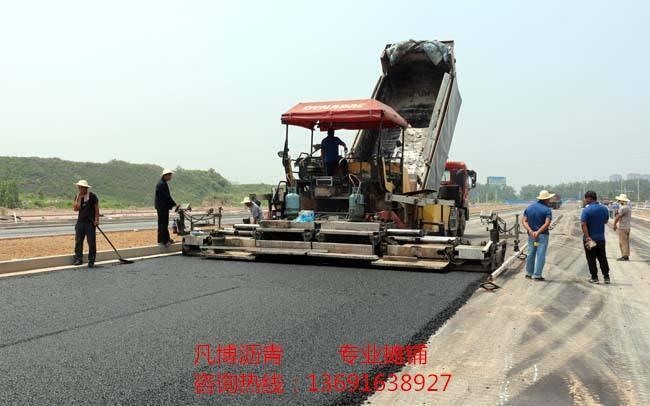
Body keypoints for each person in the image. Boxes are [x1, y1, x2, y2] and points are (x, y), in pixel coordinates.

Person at [522, 190, 554, 281]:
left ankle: (529, 273)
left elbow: (524, 221)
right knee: (541, 254)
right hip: (542, 235)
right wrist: (538, 232)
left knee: (531, 253)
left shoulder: (529, 208)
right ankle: (537, 275)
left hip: (531, 236)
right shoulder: (547, 210)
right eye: (549, 198)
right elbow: (547, 223)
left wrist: (530, 231)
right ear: (546, 199)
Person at [581, 190, 610, 284]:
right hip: (601, 238)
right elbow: (606, 221)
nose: (585, 200)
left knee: (591, 258)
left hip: (590, 239)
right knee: (602, 258)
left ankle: (594, 278)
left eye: (585, 198)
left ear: (589, 198)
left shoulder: (586, 210)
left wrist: (587, 236)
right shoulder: (604, 209)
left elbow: (583, 224)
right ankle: (606, 277)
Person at [72, 180, 99, 267]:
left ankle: (91, 260)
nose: (79, 189)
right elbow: (76, 209)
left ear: (86, 188)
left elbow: (97, 209)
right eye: (79, 187)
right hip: (80, 222)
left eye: (81, 187)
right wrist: (78, 198)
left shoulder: (92, 196)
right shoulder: (77, 196)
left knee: (91, 242)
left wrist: (96, 220)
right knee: (78, 241)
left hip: (90, 223)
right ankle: (78, 259)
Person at [155, 168, 179, 247]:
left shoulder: (163, 183)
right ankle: (164, 241)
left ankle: (165, 239)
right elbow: (167, 197)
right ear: (166, 175)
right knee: (163, 224)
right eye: (170, 175)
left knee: (163, 223)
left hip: (162, 206)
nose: (171, 177)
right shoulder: (162, 184)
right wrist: (175, 204)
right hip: (162, 207)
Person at [613, 193, 632, 261]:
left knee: (622, 242)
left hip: (623, 227)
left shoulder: (623, 208)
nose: (618, 201)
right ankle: (626, 255)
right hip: (627, 227)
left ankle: (624, 256)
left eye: (619, 200)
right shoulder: (628, 207)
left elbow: (618, 217)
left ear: (622, 201)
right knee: (626, 242)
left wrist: (614, 224)